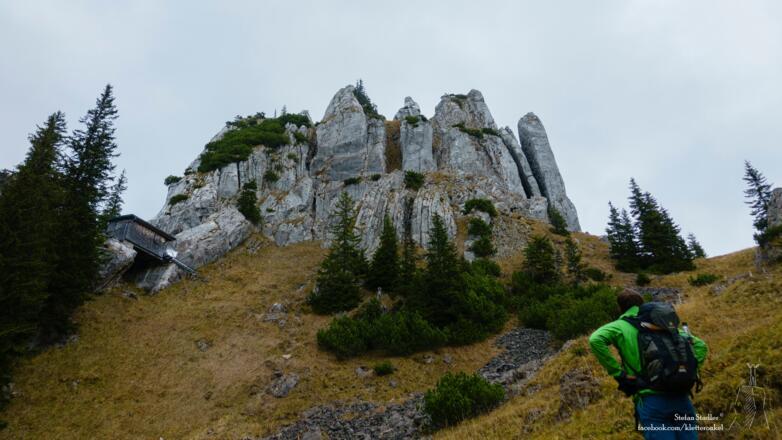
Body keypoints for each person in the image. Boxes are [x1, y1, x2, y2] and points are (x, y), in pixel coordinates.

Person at [589, 290, 708, 439]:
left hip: (651, 399)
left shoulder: (619, 326)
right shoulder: (658, 325)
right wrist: (686, 369)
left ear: (620, 308)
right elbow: (701, 346)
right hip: (682, 397)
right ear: (642, 304)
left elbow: (595, 339)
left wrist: (618, 373)